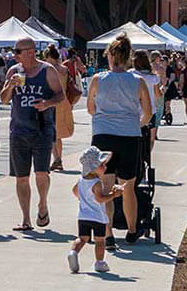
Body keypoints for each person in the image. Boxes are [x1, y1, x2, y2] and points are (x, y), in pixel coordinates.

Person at [87, 34, 153, 247]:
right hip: (129, 136)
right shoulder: (137, 81)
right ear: (128, 58)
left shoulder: (98, 79)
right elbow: (148, 113)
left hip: (103, 135)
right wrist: (137, 125)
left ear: (110, 56)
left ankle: (107, 234)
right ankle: (132, 231)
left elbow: (90, 108)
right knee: (128, 187)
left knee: (106, 186)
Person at [2, 37, 66, 231]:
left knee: (41, 173)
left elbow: (61, 96)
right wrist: (11, 85)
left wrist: (47, 104)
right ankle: (26, 219)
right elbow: (5, 99)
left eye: (30, 50)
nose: (16, 55)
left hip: (42, 129)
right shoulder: (14, 71)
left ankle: (43, 204)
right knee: (21, 177)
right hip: (19, 130)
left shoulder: (47, 70)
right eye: (20, 51)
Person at [67, 146, 124, 274]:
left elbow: (75, 191)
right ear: (93, 168)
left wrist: (83, 198)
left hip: (83, 216)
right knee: (100, 240)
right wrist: (113, 195)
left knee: (82, 238)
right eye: (102, 165)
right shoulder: (96, 183)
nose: (105, 167)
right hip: (97, 217)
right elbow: (100, 199)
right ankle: (99, 262)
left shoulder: (81, 180)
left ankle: (73, 252)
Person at [45, 45, 75, 172]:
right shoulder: (64, 69)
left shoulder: (47, 69)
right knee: (58, 135)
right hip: (64, 102)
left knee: (50, 133)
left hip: (51, 102)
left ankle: (56, 159)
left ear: (48, 56)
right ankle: (58, 159)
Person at [132, 51, 164, 155]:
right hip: (150, 110)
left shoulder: (131, 74)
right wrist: (162, 89)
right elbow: (158, 94)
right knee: (151, 139)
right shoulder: (153, 76)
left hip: (134, 110)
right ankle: (146, 157)